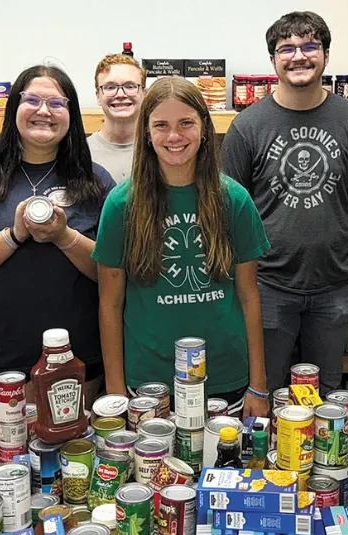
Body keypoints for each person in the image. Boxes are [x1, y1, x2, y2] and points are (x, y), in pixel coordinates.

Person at [0, 65, 114, 460]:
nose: (43, 111)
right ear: (14, 107)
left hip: (77, 361)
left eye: (56, 102)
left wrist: (65, 237)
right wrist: (13, 236)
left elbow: (114, 275)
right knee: (3, 476)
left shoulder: (96, 182)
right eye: (32, 100)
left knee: (73, 478)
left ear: (72, 113)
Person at [221, 11, 348, 395]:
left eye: (310, 46)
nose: (299, 56)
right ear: (273, 60)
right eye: (286, 48)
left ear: (326, 55)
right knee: (264, 388)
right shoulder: (247, 126)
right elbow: (228, 216)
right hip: (267, 285)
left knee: (326, 392)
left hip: (337, 286)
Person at [94, 76, 271, 418]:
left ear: (204, 127)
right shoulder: (121, 204)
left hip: (225, 378)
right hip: (148, 384)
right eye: (161, 125)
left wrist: (258, 385)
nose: (174, 136)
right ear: (146, 132)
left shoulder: (234, 199)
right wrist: (115, 392)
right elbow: (110, 304)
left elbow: (249, 297)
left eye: (186, 123)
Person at [87, 53, 145, 182]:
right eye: (110, 87)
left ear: (144, 93)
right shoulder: (82, 153)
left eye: (130, 86)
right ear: (98, 96)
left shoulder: (160, 149)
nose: (120, 94)